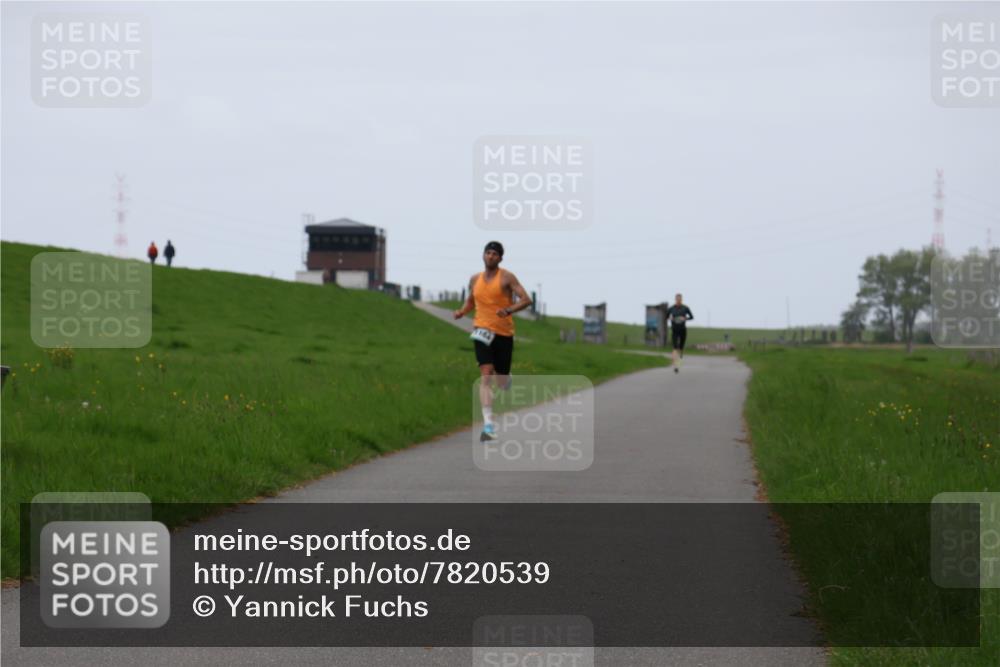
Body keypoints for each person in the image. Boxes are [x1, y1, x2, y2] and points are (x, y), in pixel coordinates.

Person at [453, 241, 532, 441]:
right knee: (485, 375)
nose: (490, 256)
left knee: (501, 380)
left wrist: (508, 310)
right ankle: (489, 426)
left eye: (494, 254)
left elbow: (526, 299)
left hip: (503, 333)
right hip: (481, 331)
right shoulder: (474, 279)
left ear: (500, 258)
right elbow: (472, 299)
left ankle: (505, 377)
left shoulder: (506, 277)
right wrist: (462, 311)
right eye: (487, 253)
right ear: (483, 255)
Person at [665, 293, 693, 373]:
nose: (678, 300)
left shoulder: (685, 308)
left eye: (680, 299)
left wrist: (685, 318)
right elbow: (666, 317)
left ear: (681, 299)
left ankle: (678, 363)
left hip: (683, 330)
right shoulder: (671, 308)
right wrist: (669, 318)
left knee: (680, 348)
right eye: (677, 299)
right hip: (674, 330)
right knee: (675, 348)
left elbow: (691, 317)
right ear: (675, 299)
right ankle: (675, 365)